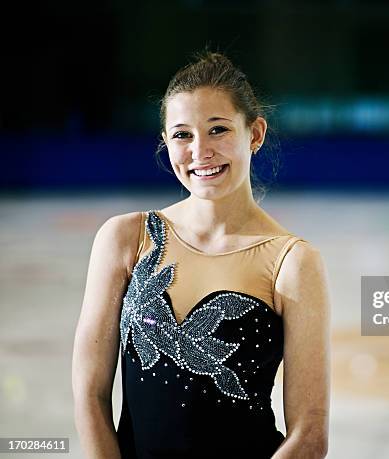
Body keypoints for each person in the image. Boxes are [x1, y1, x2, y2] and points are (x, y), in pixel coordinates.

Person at [72, 51, 331, 458]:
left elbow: (310, 436)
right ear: (165, 142)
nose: (200, 151)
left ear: (255, 134)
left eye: (218, 130)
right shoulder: (126, 239)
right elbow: (90, 395)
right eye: (182, 134)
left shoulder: (293, 262)